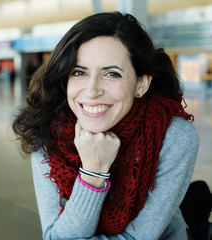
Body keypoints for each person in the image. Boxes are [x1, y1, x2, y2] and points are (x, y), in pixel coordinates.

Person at [12, 12, 199, 239]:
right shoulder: (47, 132)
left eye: (112, 74)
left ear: (141, 83)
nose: (91, 91)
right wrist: (93, 173)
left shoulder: (172, 135)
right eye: (79, 72)